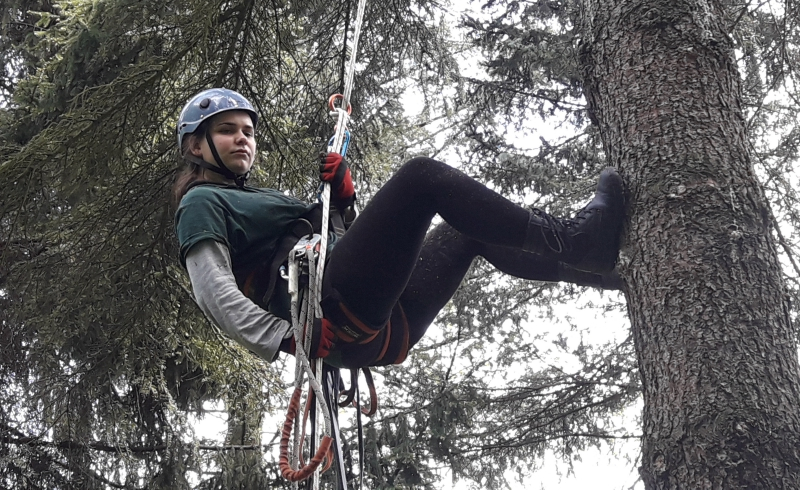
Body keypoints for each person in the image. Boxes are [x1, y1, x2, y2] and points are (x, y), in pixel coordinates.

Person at [174, 88, 625, 369]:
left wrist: (344, 200)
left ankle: (610, 272)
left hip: (375, 320)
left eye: (248, 132)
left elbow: (338, 243)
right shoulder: (201, 202)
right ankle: (575, 241)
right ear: (196, 145)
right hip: (332, 312)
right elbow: (212, 289)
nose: (242, 139)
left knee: (463, 233)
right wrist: (285, 336)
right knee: (421, 178)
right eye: (228, 130)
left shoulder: (257, 200)